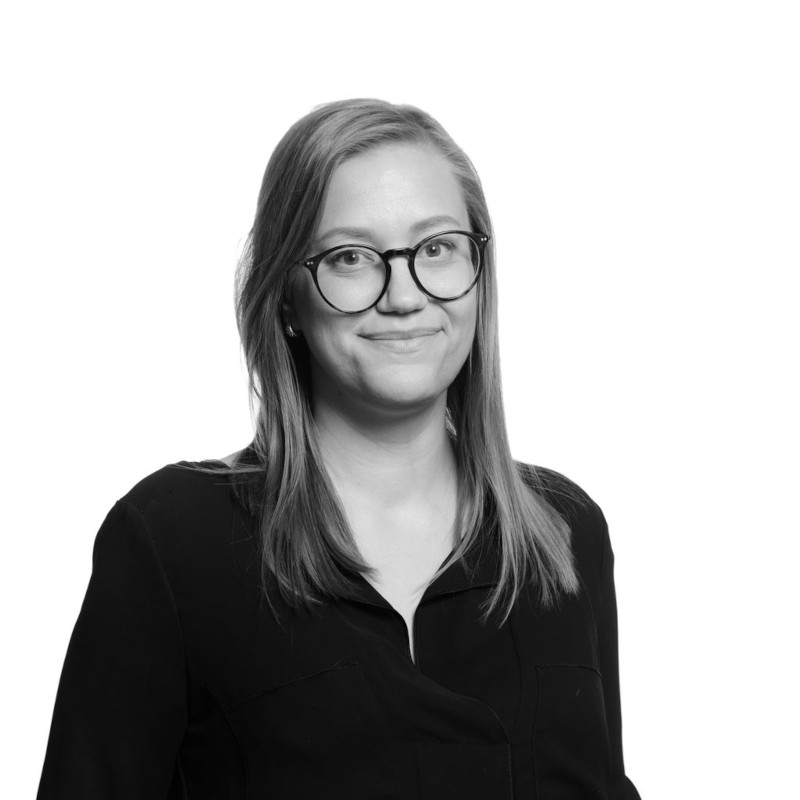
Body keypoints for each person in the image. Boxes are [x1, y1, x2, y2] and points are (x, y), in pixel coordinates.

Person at [37, 99, 641, 799]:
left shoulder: (564, 531)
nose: (405, 296)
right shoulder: (174, 543)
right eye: (351, 257)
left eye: (437, 248)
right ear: (285, 297)